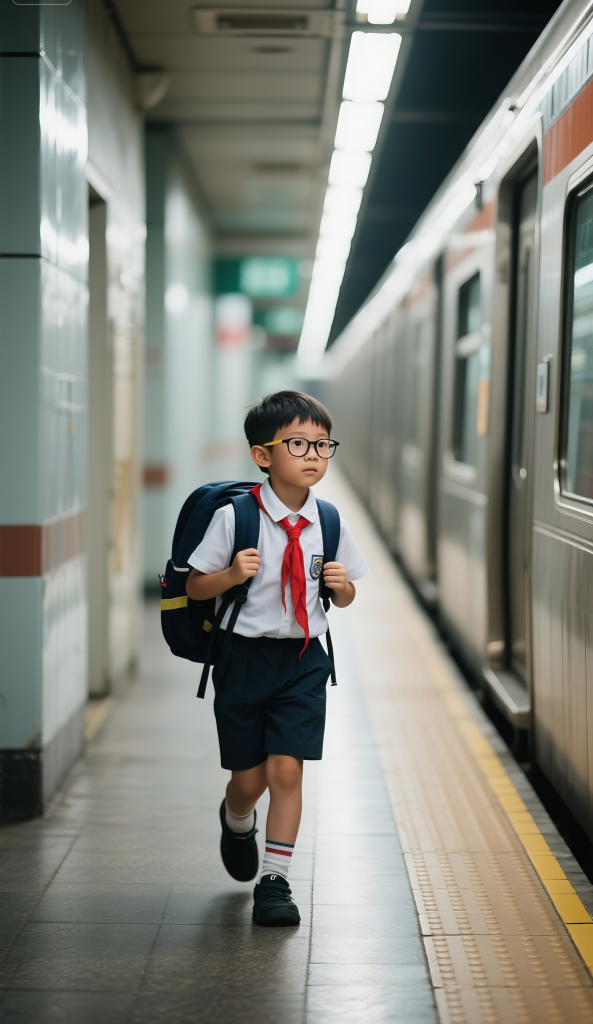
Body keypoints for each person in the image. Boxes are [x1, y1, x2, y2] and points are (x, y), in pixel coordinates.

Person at [186, 391, 368, 926]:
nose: (313, 454)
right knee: (251, 779)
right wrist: (230, 576)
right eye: (297, 443)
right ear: (263, 455)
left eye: (321, 444)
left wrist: (342, 588)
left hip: (305, 661)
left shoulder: (329, 521)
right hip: (243, 659)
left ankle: (276, 881)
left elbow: (347, 592)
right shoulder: (235, 518)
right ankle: (237, 817)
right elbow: (197, 589)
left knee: (287, 770)